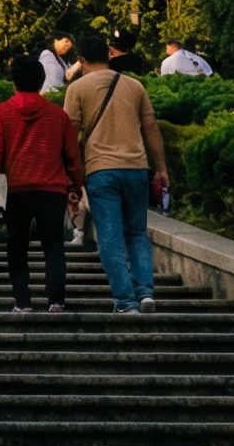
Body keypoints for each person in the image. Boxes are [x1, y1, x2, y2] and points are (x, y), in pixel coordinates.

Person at [63, 30, 169, 314]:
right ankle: (145, 292)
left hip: (101, 171)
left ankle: (125, 301)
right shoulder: (135, 86)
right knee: (137, 234)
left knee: (110, 239)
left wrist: (71, 175)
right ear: (108, 55)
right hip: (137, 169)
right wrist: (161, 169)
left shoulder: (77, 89)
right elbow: (151, 127)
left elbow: (70, 135)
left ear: (81, 59)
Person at [0, 54, 83, 313]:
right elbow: (72, 155)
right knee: (53, 247)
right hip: (52, 190)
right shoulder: (58, 115)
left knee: (17, 247)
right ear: (41, 82)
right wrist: (75, 187)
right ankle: (56, 301)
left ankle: (22, 302)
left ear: (13, 82)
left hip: (18, 190)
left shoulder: (3, 112)